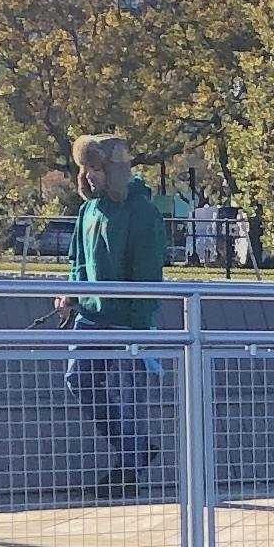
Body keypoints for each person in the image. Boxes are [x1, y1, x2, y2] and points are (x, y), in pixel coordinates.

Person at [57, 135, 169, 499]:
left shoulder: (143, 214)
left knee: (131, 395)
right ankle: (134, 448)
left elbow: (148, 275)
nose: (89, 176)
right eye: (85, 169)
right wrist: (72, 292)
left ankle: (129, 469)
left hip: (127, 323)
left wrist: (140, 327)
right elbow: (77, 259)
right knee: (80, 381)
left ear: (113, 170)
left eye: (95, 168)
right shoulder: (87, 211)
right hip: (89, 317)